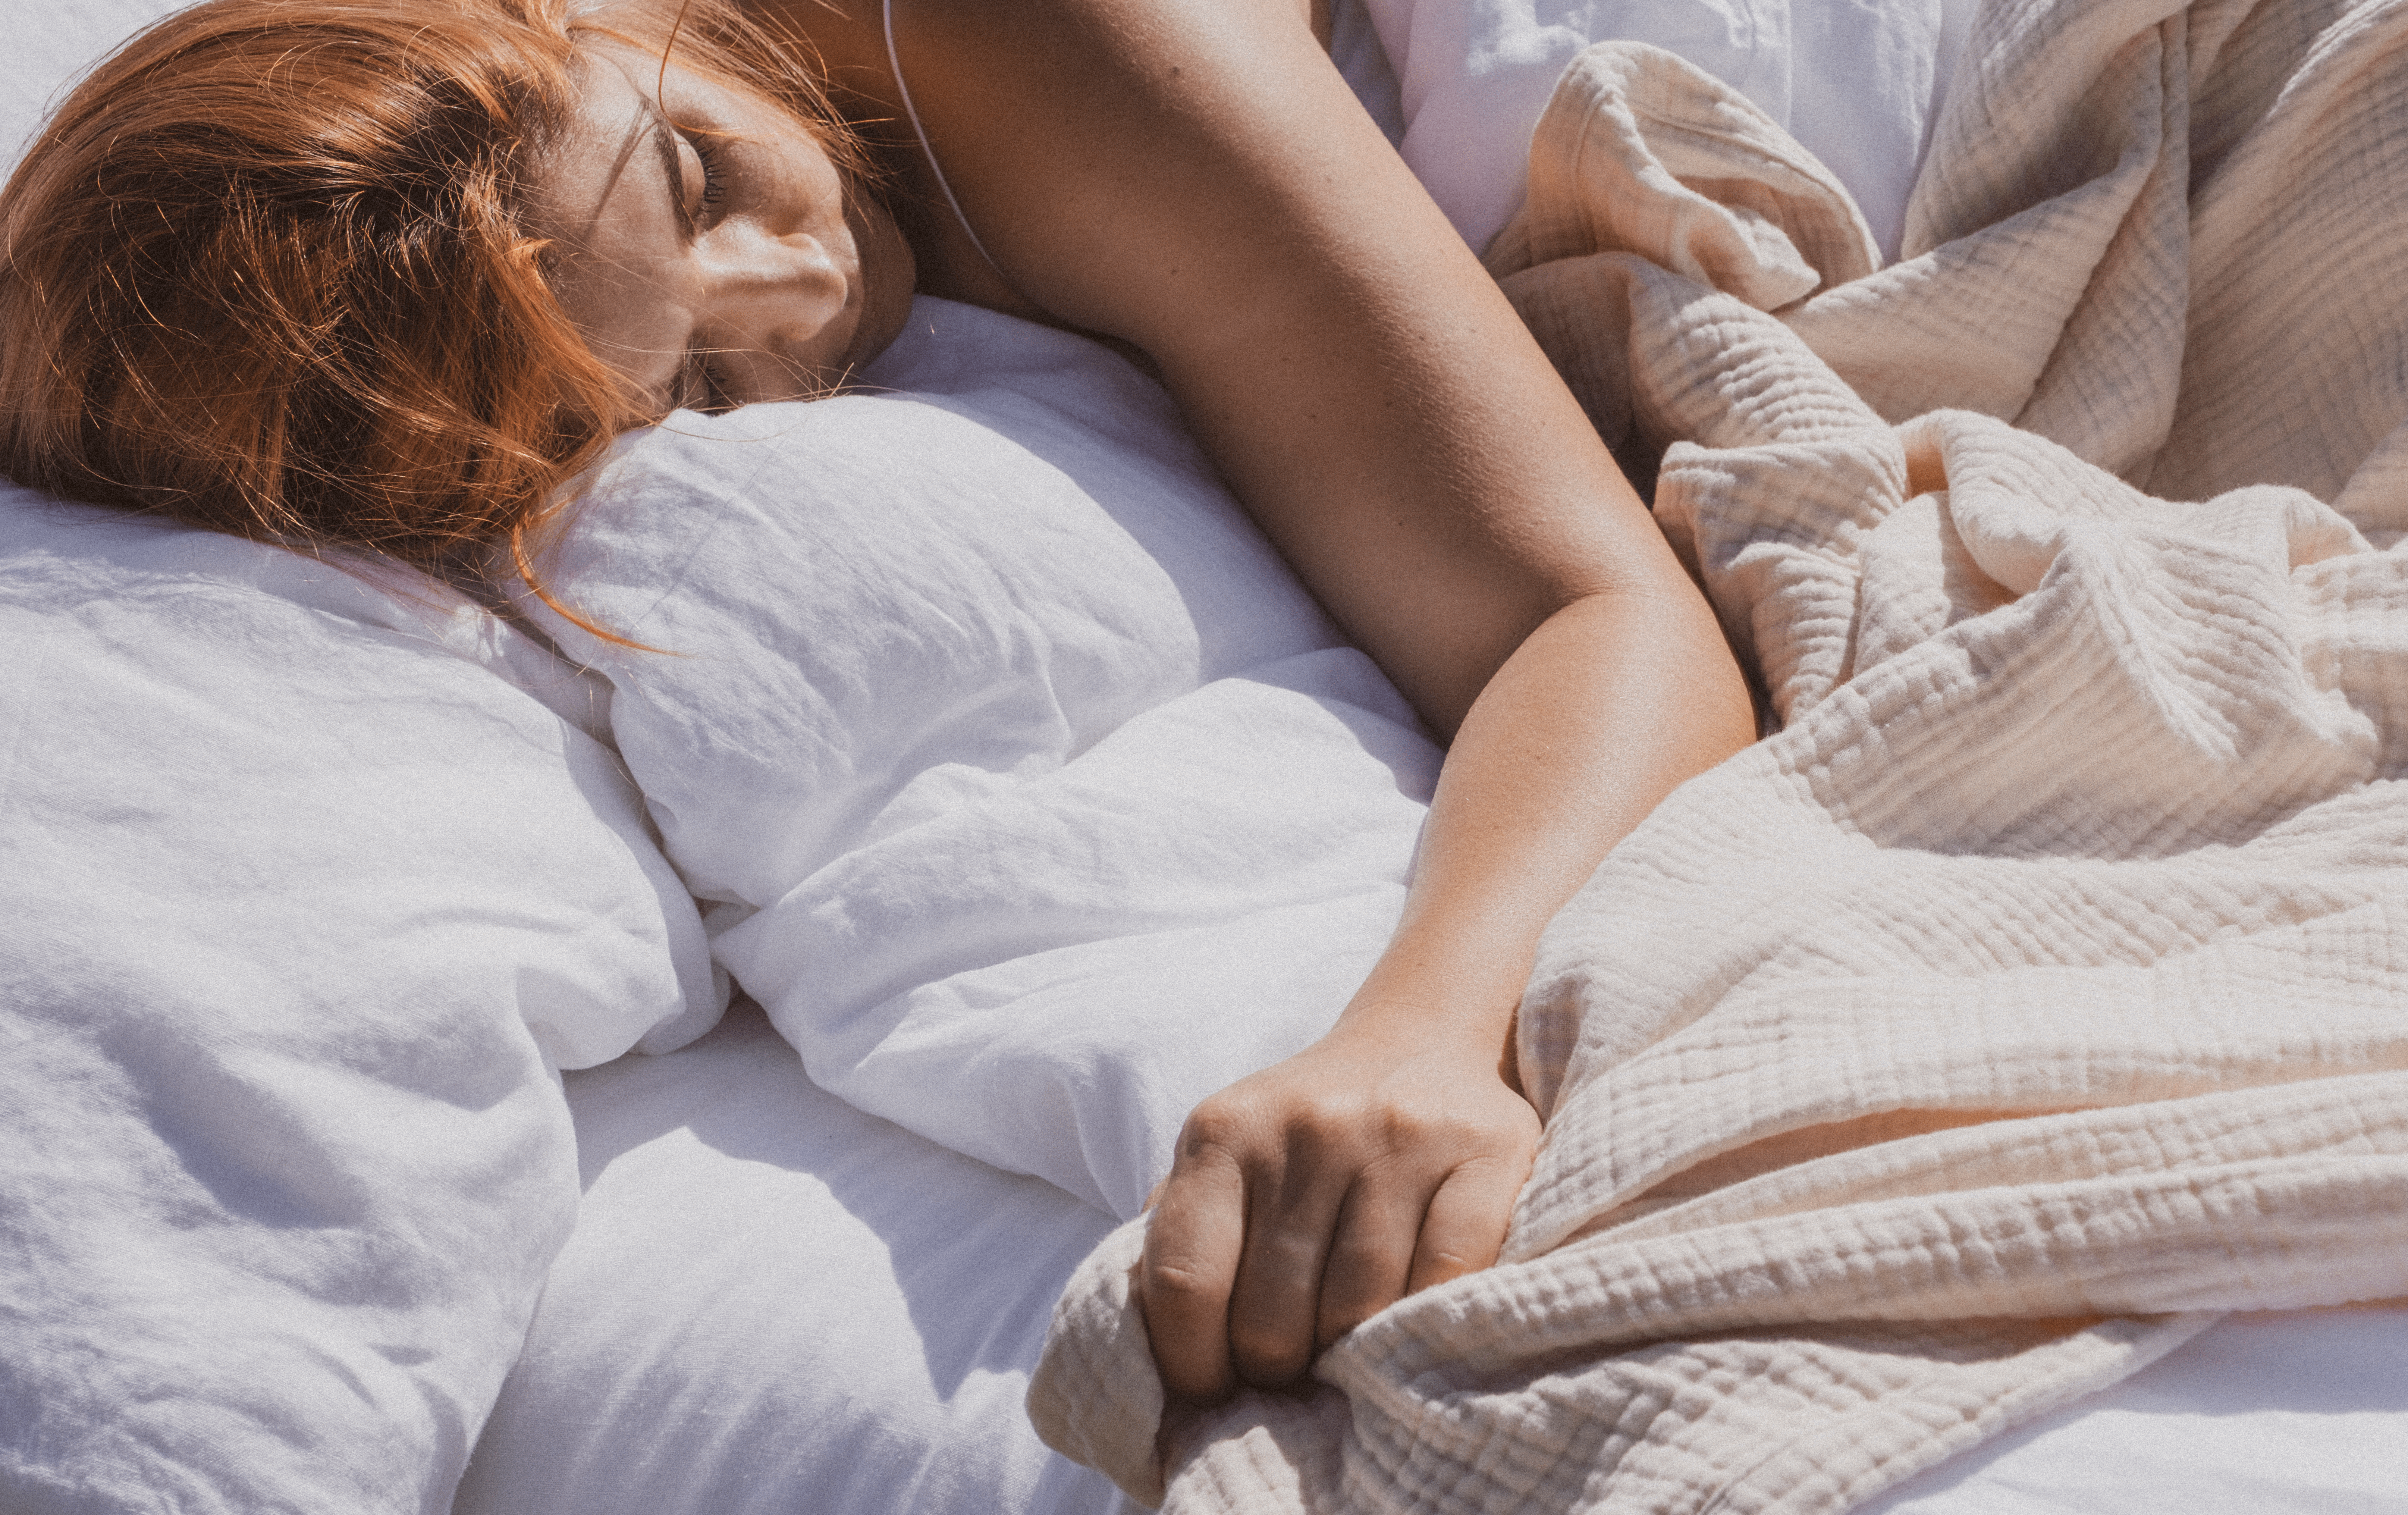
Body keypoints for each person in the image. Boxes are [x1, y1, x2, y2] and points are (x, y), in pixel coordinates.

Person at [0, 0, 1755, 1401]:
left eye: (693, 176)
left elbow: (1587, 606)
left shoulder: (1068, 45)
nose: (812, 279)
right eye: (692, 377)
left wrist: (1420, 1033)